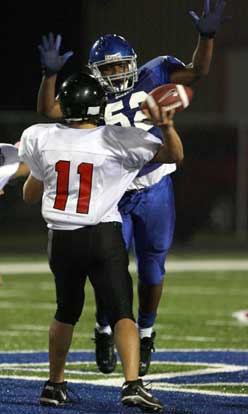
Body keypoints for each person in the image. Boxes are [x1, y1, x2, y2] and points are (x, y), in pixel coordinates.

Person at [36, 0, 228, 376]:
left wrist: (206, 37)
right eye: (111, 69)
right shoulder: (90, 92)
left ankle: (147, 331)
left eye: (124, 66)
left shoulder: (155, 73)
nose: (120, 74)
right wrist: (48, 76)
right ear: (96, 72)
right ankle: (104, 328)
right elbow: (51, 112)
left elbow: (197, 72)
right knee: (114, 272)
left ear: (135, 62)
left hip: (154, 186)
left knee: (153, 271)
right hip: (114, 191)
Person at [19, 72, 183, 410]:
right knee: (123, 313)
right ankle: (133, 383)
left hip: (62, 239)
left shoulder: (41, 136)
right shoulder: (118, 138)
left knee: (65, 311)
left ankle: (54, 385)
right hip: (103, 236)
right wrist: (166, 126)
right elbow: (173, 157)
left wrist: (45, 173)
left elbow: (28, 195)